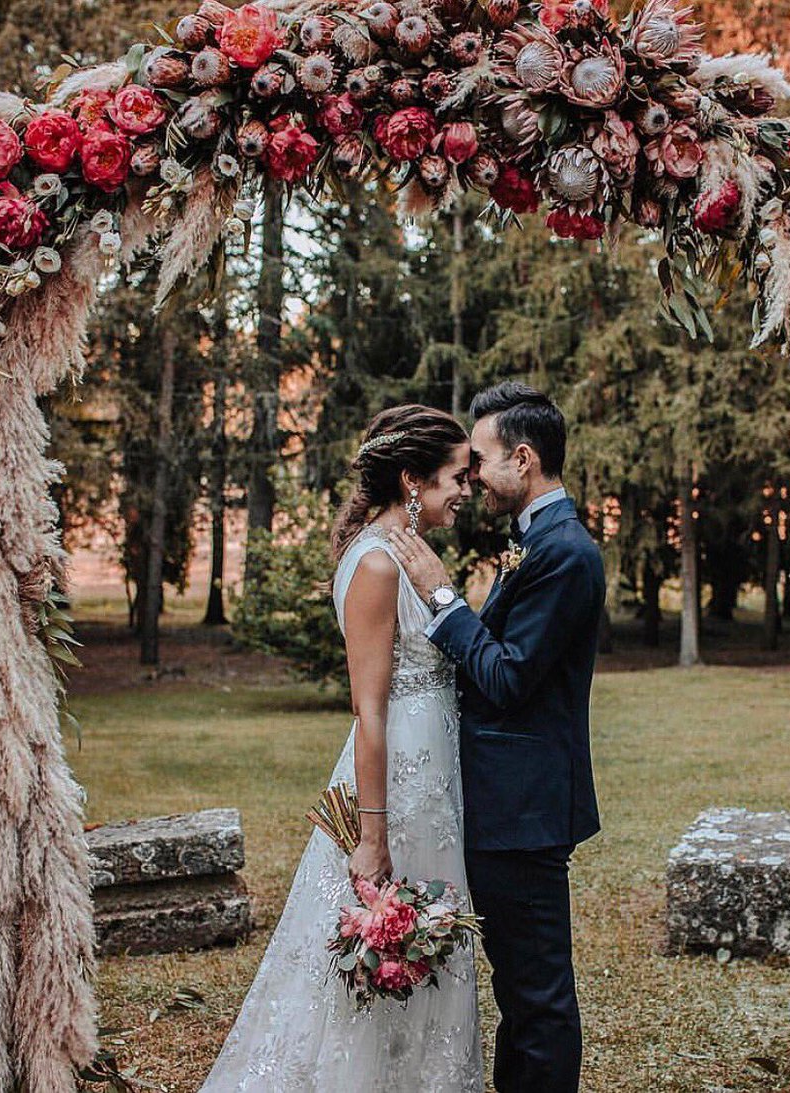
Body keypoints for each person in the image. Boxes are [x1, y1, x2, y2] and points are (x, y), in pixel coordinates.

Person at [199, 404, 483, 1092]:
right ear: (413, 479)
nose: (468, 489)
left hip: (434, 781)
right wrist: (372, 833)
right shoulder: (379, 565)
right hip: (397, 789)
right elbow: (369, 707)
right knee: (388, 942)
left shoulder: (408, 559)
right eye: (457, 476)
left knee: (429, 942)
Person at [387, 381, 605, 1093]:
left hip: (525, 812)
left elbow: (509, 679)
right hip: (505, 807)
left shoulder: (565, 552)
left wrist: (446, 599)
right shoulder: (536, 542)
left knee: (538, 996)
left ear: (523, 457)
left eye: (478, 460)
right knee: (520, 989)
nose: (471, 474)